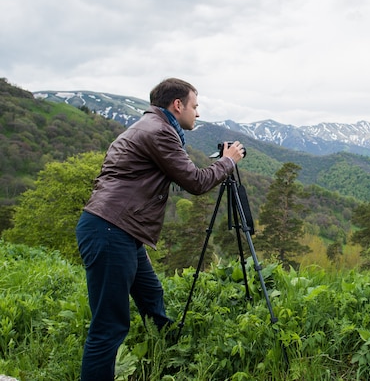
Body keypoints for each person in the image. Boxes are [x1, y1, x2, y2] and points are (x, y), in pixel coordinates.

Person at [75, 78, 245, 380]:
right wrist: (228, 163)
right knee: (108, 326)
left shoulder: (148, 127)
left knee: (151, 294)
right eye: (195, 106)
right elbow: (195, 182)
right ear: (177, 105)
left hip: (119, 229)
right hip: (112, 230)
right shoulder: (159, 132)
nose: (198, 113)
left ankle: (168, 355)